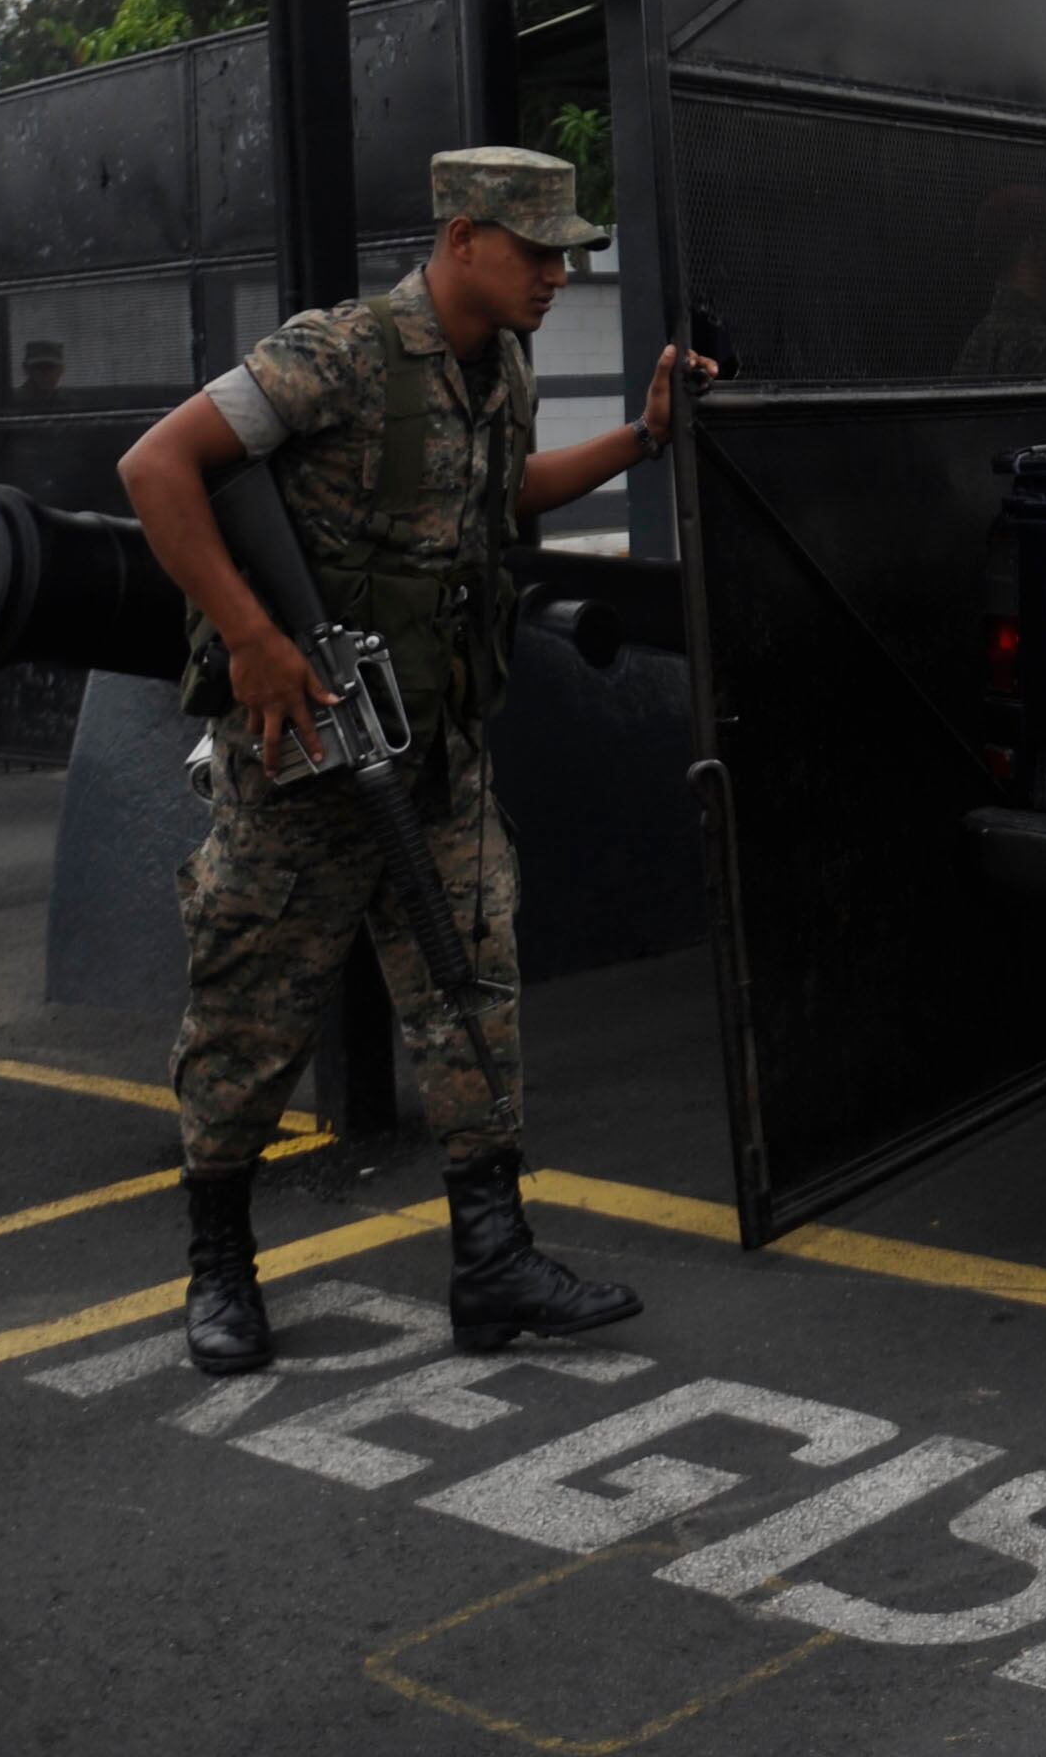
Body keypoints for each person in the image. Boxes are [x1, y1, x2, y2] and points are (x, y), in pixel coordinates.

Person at [115, 145, 716, 1377]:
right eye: (537, 249)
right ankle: (218, 1268)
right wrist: (252, 638)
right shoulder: (336, 353)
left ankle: (492, 1264)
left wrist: (643, 441)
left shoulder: (498, 364)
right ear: (460, 241)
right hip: (302, 765)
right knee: (246, 1019)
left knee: (471, 993)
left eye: (565, 250)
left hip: (433, 753)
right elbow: (156, 466)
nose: (560, 271)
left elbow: (500, 507)